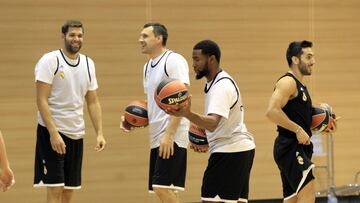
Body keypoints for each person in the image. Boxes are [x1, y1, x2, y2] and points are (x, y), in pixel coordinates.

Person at [167, 40, 256, 203]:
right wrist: (204, 135)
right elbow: (215, 124)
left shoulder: (221, 86)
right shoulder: (215, 82)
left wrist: (187, 114)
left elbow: (213, 123)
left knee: (209, 199)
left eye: (197, 59)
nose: (193, 64)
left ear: (211, 59)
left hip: (229, 151)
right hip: (240, 150)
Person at [34, 20, 106, 203]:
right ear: (63, 36)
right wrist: (53, 133)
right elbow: (41, 100)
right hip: (52, 132)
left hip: (76, 133)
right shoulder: (50, 61)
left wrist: (99, 133)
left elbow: (92, 101)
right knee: (55, 188)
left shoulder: (89, 64)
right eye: (72, 35)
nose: (76, 39)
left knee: (69, 191)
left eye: (80, 35)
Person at [120, 23, 190, 203]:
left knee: (161, 187)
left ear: (159, 38)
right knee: (169, 190)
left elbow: (183, 99)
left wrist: (169, 134)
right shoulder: (147, 67)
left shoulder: (173, 60)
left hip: (171, 134)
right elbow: (151, 103)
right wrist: (131, 119)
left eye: (145, 36)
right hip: (157, 135)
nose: (140, 40)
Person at [265, 40, 337, 203]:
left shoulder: (301, 86)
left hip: (295, 148)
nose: (313, 61)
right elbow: (271, 111)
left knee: (293, 199)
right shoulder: (287, 82)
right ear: (295, 59)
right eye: (309, 57)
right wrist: (297, 130)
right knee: (308, 195)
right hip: (289, 147)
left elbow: (302, 117)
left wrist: (323, 124)